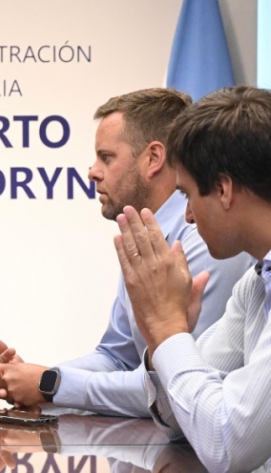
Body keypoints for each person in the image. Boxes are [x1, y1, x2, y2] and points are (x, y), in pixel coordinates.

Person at [0, 88, 251, 416]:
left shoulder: (206, 240)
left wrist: (50, 384)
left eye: (106, 157)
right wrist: (38, 376)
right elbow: (116, 356)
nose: (92, 171)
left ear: (153, 158)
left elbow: (179, 388)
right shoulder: (141, 234)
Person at [115, 85, 271, 472]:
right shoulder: (256, 283)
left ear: (223, 189)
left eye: (187, 195)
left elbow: (227, 446)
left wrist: (169, 330)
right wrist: (160, 341)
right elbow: (183, 424)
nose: (186, 217)